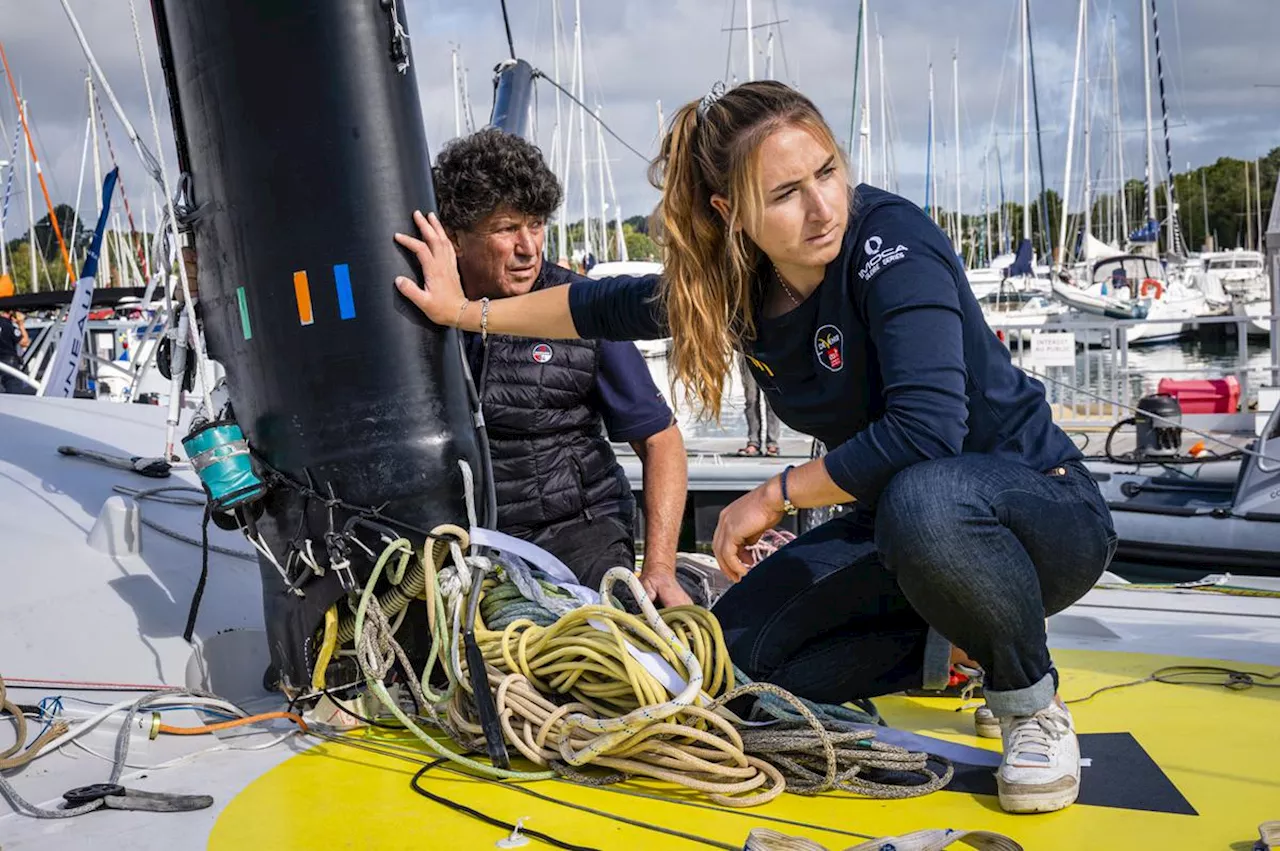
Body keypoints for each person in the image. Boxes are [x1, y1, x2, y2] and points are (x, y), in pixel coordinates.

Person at [394, 81, 1116, 815]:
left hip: (1036, 509)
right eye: (786, 193)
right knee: (738, 661)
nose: (823, 207)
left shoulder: (893, 245)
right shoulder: (738, 285)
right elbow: (599, 305)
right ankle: (965, 644)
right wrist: (462, 311)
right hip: (898, 530)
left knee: (923, 497)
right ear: (729, 213)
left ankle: (1029, 700)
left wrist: (773, 495)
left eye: (828, 173)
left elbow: (927, 430)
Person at [431, 128, 692, 608]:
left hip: (579, 532)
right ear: (456, 237)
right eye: (507, 229)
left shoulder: (580, 309)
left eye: (536, 225)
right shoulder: (417, 315)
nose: (529, 248)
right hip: (469, 541)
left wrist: (659, 568)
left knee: (610, 648)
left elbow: (661, 439)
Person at [736, 352, 780, 456]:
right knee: (751, 399)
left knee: (771, 399)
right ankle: (753, 442)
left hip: (768, 351)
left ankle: (772, 443)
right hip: (747, 352)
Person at [0, 310, 34, 395]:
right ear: (10, 312)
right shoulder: (8, 325)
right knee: (13, 391)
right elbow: (25, 342)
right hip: (9, 363)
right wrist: (21, 325)